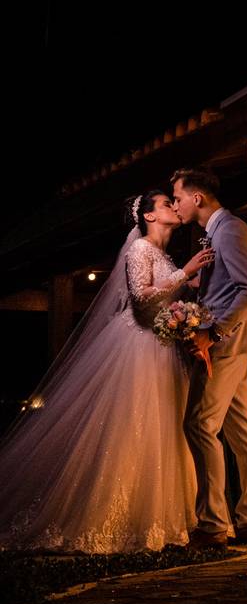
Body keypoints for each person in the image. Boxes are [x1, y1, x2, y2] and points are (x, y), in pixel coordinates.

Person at [0, 189, 214, 552]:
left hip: (161, 348)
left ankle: (159, 518)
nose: (173, 208)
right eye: (166, 204)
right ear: (148, 216)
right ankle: (115, 519)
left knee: (162, 427)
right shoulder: (140, 249)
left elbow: (163, 297)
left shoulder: (161, 254)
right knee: (130, 426)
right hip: (137, 348)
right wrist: (184, 273)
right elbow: (141, 296)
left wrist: (187, 298)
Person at [171, 167, 247, 547]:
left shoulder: (230, 230)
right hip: (233, 341)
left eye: (178, 198)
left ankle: (213, 525)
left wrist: (212, 329)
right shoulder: (218, 234)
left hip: (224, 345)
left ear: (196, 198)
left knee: (198, 424)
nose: (177, 206)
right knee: (242, 431)